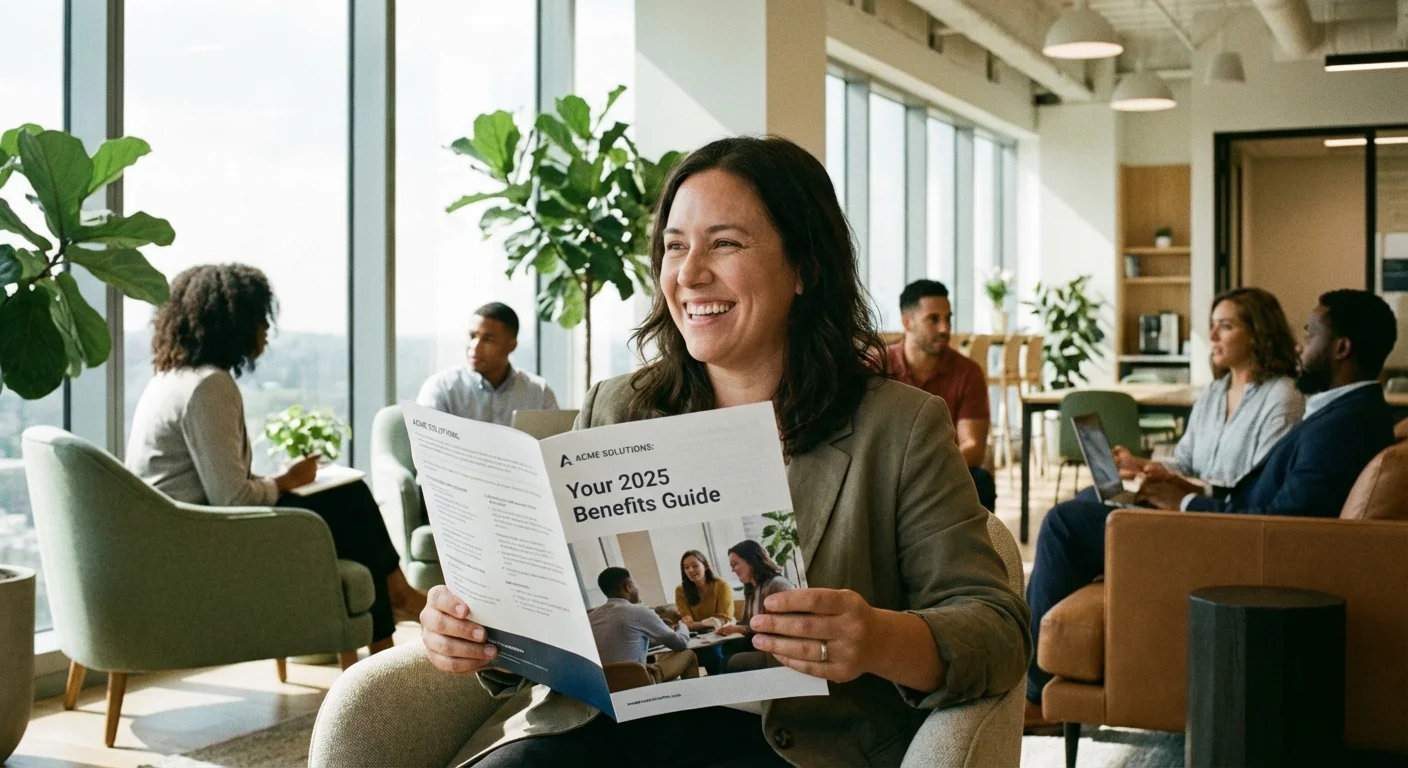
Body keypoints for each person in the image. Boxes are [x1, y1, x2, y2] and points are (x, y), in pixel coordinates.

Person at [418, 135, 1030, 767]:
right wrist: (475, 628)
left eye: (725, 243)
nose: (688, 273)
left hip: (787, 747)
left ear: (804, 267)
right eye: (675, 246)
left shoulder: (898, 428)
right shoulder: (616, 407)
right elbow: (557, 609)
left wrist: (878, 638)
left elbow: (997, 631)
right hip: (603, 733)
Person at [1024, 289, 1397, 730]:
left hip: (1231, 549)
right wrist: (1164, 481)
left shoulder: (1338, 426)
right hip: (1230, 529)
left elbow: (1280, 528)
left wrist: (1184, 501)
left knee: (1065, 524)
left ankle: (1036, 693)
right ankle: (1041, 677)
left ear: (1341, 348)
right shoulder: (1347, 414)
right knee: (1090, 502)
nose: (1301, 345)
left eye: (1310, 333)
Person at [125, 264, 425, 655]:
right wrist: (287, 481)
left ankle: (393, 613)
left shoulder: (172, 379)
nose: (267, 330)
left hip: (178, 534)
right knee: (348, 498)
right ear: (233, 323)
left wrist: (281, 481)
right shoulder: (208, 386)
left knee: (344, 499)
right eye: (260, 319)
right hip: (199, 545)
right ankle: (396, 607)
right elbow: (232, 501)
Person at [1108, 287, 1305, 497]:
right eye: (1212, 326)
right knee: (1090, 497)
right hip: (1184, 506)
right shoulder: (1213, 392)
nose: (1212, 336)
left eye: (1226, 326)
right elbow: (1185, 463)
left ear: (1257, 334)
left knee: (1078, 515)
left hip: (1223, 518)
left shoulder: (1283, 395)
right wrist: (1138, 465)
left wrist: (1183, 487)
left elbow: (1259, 489)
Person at [885, 279, 997, 511]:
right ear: (907, 323)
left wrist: (922, 472)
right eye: (933, 319)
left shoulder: (968, 372)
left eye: (948, 319)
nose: (945, 329)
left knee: (981, 482)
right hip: (886, 473)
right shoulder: (877, 366)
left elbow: (973, 447)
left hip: (944, 473)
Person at [415, 302, 558, 425]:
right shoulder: (441, 388)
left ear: (511, 346)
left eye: (488, 339)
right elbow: (426, 450)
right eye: (472, 336)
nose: (475, 346)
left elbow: (555, 449)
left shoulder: (539, 392)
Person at [590, 567, 699, 685]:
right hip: (637, 681)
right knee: (689, 655)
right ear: (628, 586)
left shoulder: (591, 618)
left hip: (606, 686)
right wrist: (683, 626)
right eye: (635, 583)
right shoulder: (638, 611)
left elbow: (625, 642)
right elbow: (680, 643)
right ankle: (695, 702)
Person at [714, 540, 795, 673]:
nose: (732, 570)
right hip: (760, 642)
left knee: (726, 663)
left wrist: (741, 629)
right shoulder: (752, 588)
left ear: (750, 561)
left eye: (735, 564)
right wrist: (732, 628)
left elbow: (781, 629)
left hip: (775, 652)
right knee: (726, 648)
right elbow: (747, 622)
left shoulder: (778, 585)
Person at [674, 550, 735, 676]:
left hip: (721, 635)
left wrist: (698, 624)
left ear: (705, 566)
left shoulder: (721, 585)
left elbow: (725, 618)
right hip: (697, 638)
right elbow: (686, 623)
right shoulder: (681, 590)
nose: (690, 570)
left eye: (695, 565)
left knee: (713, 654)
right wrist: (704, 623)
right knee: (682, 655)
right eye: (686, 568)